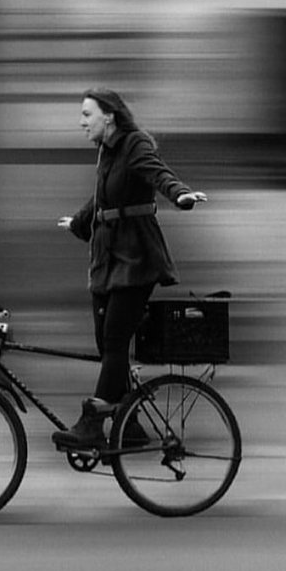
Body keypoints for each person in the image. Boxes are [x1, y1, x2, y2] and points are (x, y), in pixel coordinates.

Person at [52, 88, 207, 450]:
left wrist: (180, 194)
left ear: (109, 116)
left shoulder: (135, 143)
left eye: (87, 114)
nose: (81, 122)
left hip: (136, 259)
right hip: (107, 260)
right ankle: (130, 426)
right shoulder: (107, 151)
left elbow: (157, 173)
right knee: (107, 345)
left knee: (115, 340)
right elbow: (103, 198)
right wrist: (78, 222)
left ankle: (92, 425)